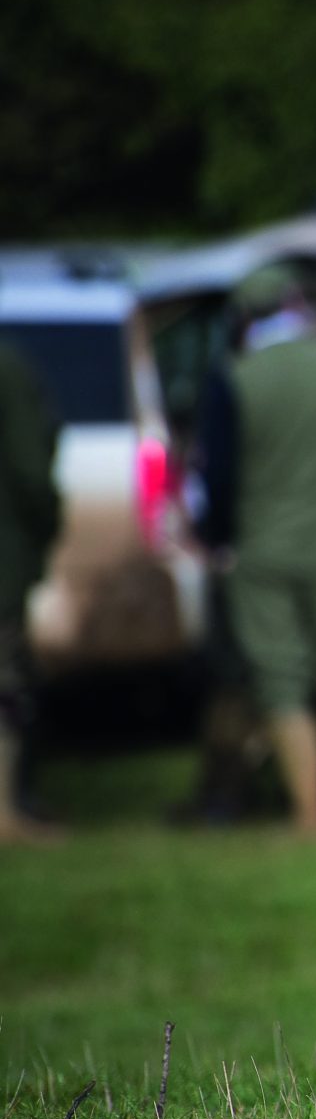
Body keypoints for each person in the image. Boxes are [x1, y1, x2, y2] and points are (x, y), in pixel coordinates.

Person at [196, 264, 316, 836]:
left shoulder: (234, 376)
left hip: (265, 551)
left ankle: (311, 814)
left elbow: (220, 477)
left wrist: (218, 540)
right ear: (295, 305)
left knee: (283, 678)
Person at [0, 333, 66, 845]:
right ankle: (4, 814)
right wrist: (44, 528)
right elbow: (29, 469)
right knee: (5, 686)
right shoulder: (8, 368)